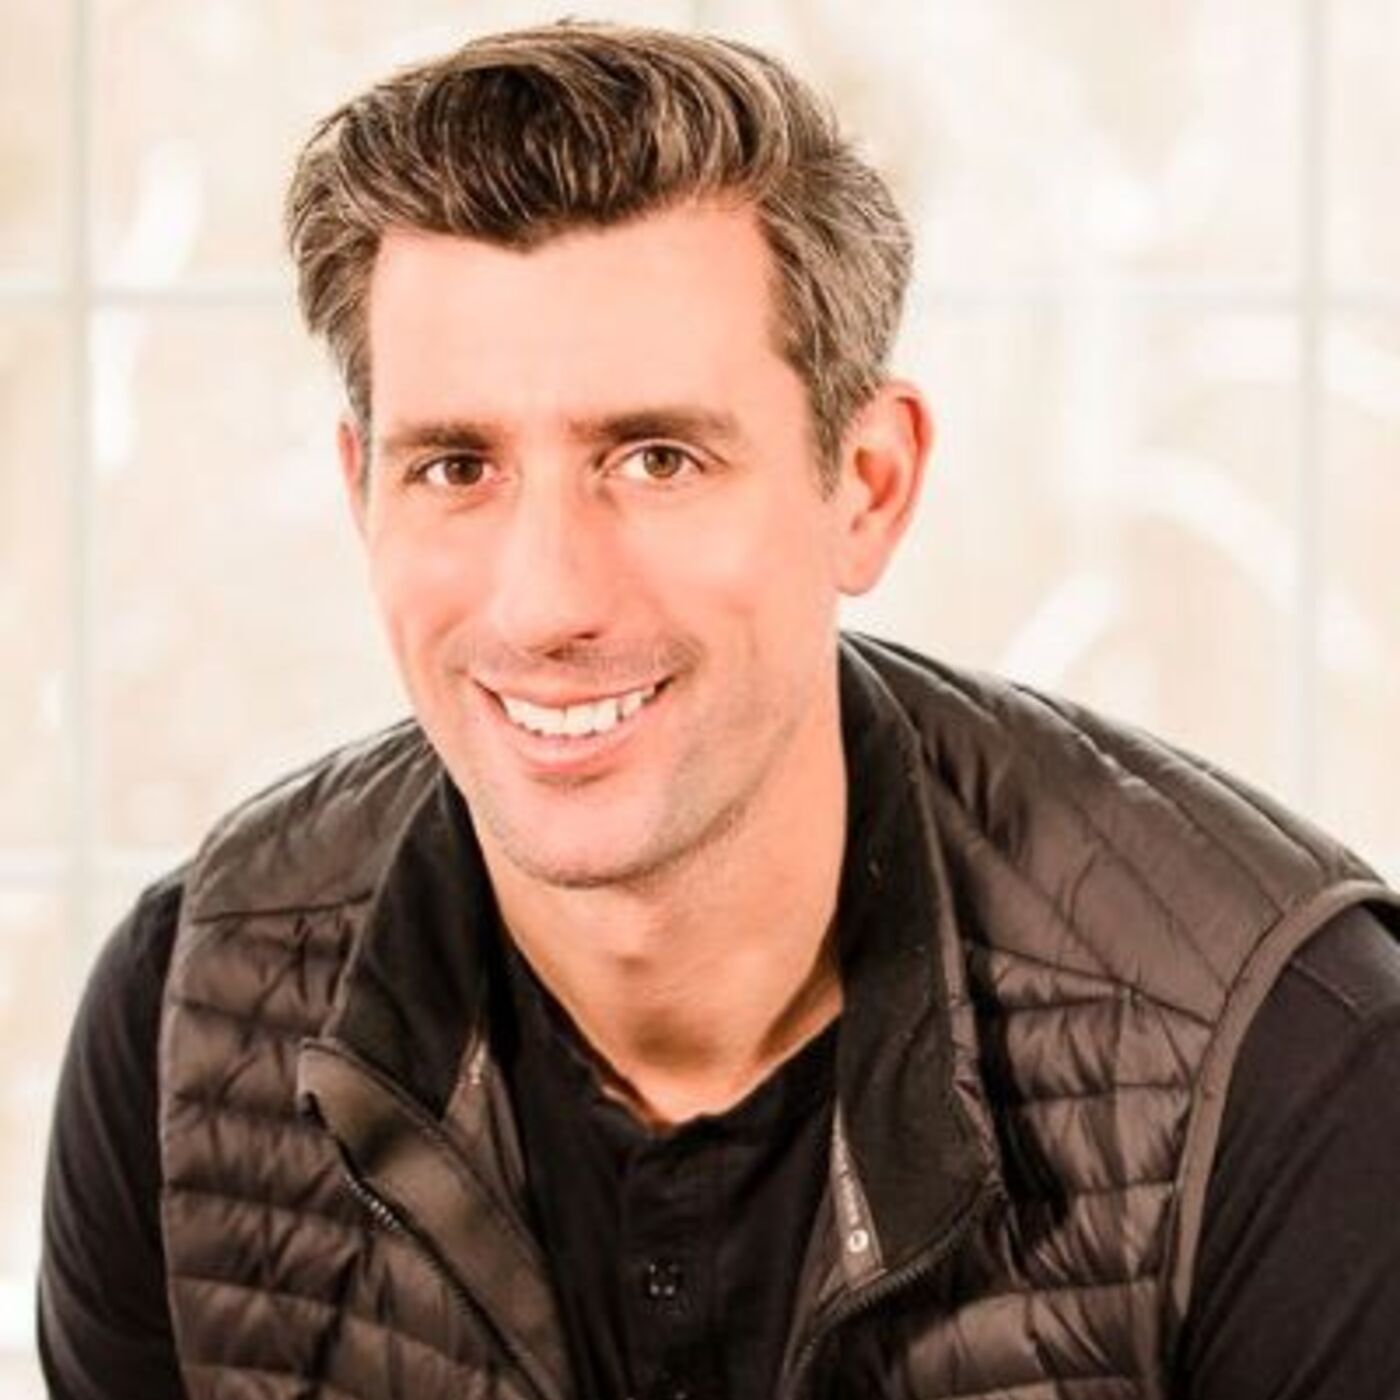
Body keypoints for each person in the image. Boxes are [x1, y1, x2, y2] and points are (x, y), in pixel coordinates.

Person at [38, 21, 1400, 1400]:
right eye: (456, 467)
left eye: (657, 458)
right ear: (362, 496)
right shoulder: (182, 1027)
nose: (546, 602)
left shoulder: (1292, 1066)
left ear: (866, 484)